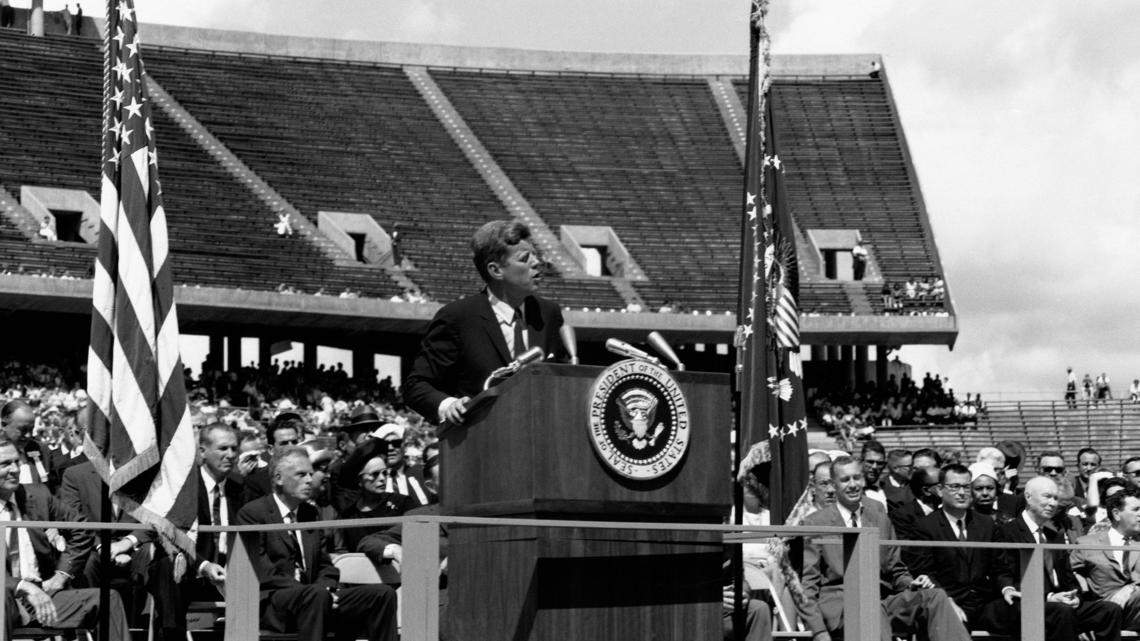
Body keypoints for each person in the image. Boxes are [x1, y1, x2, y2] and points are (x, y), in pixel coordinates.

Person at [403, 220, 565, 425]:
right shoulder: (458, 318)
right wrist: (449, 405)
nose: (536, 262)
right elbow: (416, 385)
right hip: (480, 442)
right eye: (525, 258)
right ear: (496, 270)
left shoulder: (548, 313)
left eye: (535, 254)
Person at [796, 456, 970, 641]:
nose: (853, 485)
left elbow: (897, 569)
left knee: (935, 597)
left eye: (857, 478)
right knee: (870, 608)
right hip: (843, 606)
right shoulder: (816, 523)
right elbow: (808, 584)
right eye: (845, 480)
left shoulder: (880, 519)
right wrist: (818, 631)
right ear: (833, 484)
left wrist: (911, 583)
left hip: (883, 600)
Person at [236, 446, 398, 641]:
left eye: (311, 474)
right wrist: (317, 592)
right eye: (301, 474)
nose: (309, 480)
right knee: (316, 596)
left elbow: (325, 565)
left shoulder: (309, 513)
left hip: (315, 598)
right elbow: (264, 573)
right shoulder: (253, 514)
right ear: (278, 478)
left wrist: (327, 590)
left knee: (382, 595)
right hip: (274, 603)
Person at [0, 438, 130, 641]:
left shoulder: (38, 495)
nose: (15, 469)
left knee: (108, 599)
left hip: (44, 595)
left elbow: (82, 529)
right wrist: (21, 587)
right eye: (5, 464)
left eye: (17, 462)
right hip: (6, 596)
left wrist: (62, 574)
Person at [995, 476, 1123, 641]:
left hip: (1060, 602)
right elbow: (1005, 574)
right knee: (1062, 612)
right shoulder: (1008, 532)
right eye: (1047, 496)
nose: (1053, 503)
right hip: (1027, 604)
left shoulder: (1054, 535)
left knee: (1110, 610)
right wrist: (1048, 597)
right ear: (1028, 497)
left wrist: (1075, 596)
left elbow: (1067, 576)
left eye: (1055, 498)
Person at [148, 423, 245, 641]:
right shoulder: (182, 486)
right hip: (191, 571)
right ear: (202, 451)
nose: (230, 455)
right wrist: (204, 565)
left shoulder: (242, 489)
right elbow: (171, 537)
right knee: (169, 566)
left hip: (232, 576)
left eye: (234, 448)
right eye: (223, 448)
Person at [910, 464, 1019, 635]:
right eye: (954, 487)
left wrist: (1008, 589)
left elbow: (1000, 566)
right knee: (950, 622)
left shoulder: (986, 524)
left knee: (1035, 611)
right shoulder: (925, 527)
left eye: (966, 487)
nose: (961, 493)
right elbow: (925, 572)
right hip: (949, 601)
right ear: (939, 490)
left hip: (985, 602)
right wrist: (946, 601)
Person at [1072, 485, 1140, 631]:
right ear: (1116, 514)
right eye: (1136, 510)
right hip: (1102, 613)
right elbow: (1069, 576)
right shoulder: (1087, 543)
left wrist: (1129, 589)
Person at [241, 412, 304, 504]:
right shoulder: (256, 483)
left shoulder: (308, 477)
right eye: (284, 443)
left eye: (294, 442)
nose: (291, 447)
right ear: (271, 449)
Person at [0, 400, 52, 486]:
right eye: (23, 429)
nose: (28, 435)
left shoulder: (41, 450)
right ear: (4, 425)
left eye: (31, 429)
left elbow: (54, 486)